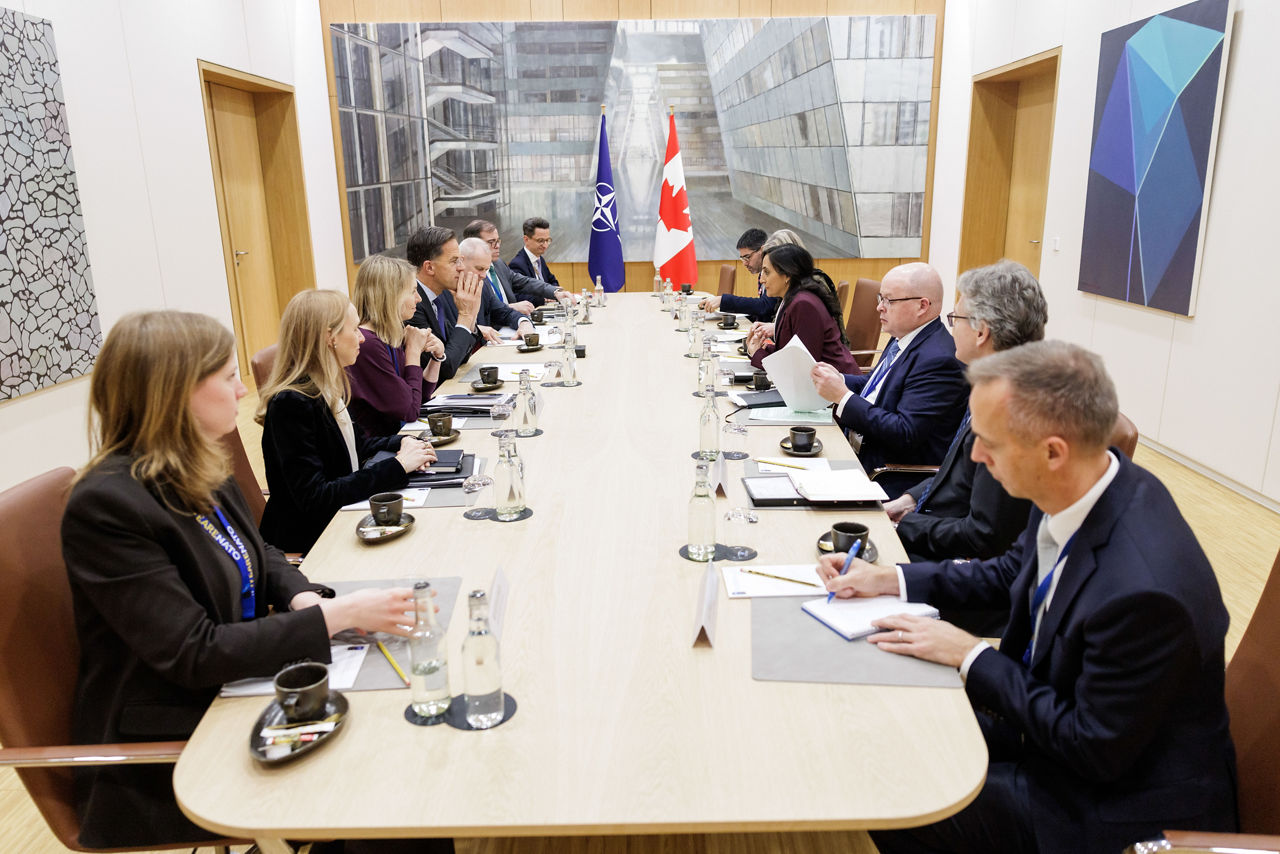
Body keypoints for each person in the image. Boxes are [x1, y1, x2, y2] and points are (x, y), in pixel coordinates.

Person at [819, 341, 1238, 854]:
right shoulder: (1079, 482)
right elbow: (1011, 572)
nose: (975, 455)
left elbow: (1090, 747)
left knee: (894, 790)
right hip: (1054, 735)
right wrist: (892, 580)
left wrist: (969, 653)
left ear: (1052, 451)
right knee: (883, 726)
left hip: (1110, 803)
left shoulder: (1144, 592)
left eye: (988, 443)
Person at [61, 310, 431, 849]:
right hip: (171, 741)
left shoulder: (195, 463)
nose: (241, 392)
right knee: (383, 766)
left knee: (396, 715)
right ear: (174, 393)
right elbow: (194, 652)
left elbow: (262, 551)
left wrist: (301, 594)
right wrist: (334, 617)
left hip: (235, 688)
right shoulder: (107, 506)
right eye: (228, 377)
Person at [885, 259, 1046, 562]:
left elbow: (983, 536)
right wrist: (909, 500)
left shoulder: (1011, 412)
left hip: (958, 563)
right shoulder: (992, 382)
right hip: (936, 529)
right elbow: (956, 476)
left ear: (981, 332)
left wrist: (904, 527)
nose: (950, 327)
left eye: (954, 318)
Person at [258, 289, 436, 553]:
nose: (361, 339)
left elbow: (358, 447)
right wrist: (398, 466)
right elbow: (316, 498)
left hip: (343, 515)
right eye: (354, 330)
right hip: (314, 537)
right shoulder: (291, 404)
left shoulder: (330, 383)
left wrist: (408, 442)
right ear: (330, 337)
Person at [810, 261, 967, 495]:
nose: (879, 308)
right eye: (880, 298)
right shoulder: (902, 337)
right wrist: (836, 379)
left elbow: (904, 432)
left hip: (886, 475)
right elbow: (875, 386)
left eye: (889, 301)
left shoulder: (938, 360)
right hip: (856, 449)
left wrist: (842, 397)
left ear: (922, 306)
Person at [348, 254, 444, 437]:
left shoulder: (388, 335)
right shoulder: (366, 344)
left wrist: (436, 358)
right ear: (391, 296)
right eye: (412, 291)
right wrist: (413, 352)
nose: (419, 299)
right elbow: (409, 410)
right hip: (380, 450)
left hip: (399, 440)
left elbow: (418, 398)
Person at [744, 244, 857, 374]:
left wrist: (758, 355)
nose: (762, 279)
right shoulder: (792, 298)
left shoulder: (803, 304)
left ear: (787, 275)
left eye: (767, 272)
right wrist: (758, 350)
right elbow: (789, 353)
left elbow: (802, 369)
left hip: (837, 385)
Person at [405, 225, 486, 382]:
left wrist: (471, 318)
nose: (462, 268)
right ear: (429, 267)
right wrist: (465, 316)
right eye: (454, 261)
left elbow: (459, 356)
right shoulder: (413, 305)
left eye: (461, 260)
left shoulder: (439, 296)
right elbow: (445, 368)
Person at [462, 218, 569, 307]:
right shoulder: (469, 273)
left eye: (498, 241)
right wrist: (511, 308)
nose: (497, 246)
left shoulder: (499, 264)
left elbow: (525, 282)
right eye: (491, 242)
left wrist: (554, 292)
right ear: (473, 244)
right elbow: (482, 313)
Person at [458, 236, 538, 340]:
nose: (484, 276)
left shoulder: (483, 286)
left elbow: (505, 313)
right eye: (479, 269)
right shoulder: (445, 291)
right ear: (461, 261)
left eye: (486, 270)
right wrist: (476, 330)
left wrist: (524, 323)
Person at [698, 228, 778, 322]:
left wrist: (724, 300)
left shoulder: (775, 274)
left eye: (747, 257)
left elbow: (765, 306)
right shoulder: (761, 273)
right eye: (742, 258)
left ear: (762, 250)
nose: (744, 263)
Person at [507, 215, 558, 287]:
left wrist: (555, 291)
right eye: (541, 241)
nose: (545, 245)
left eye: (547, 240)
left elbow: (553, 281)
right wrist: (546, 297)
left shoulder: (540, 259)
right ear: (526, 239)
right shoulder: (517, 264)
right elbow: (519, 295)